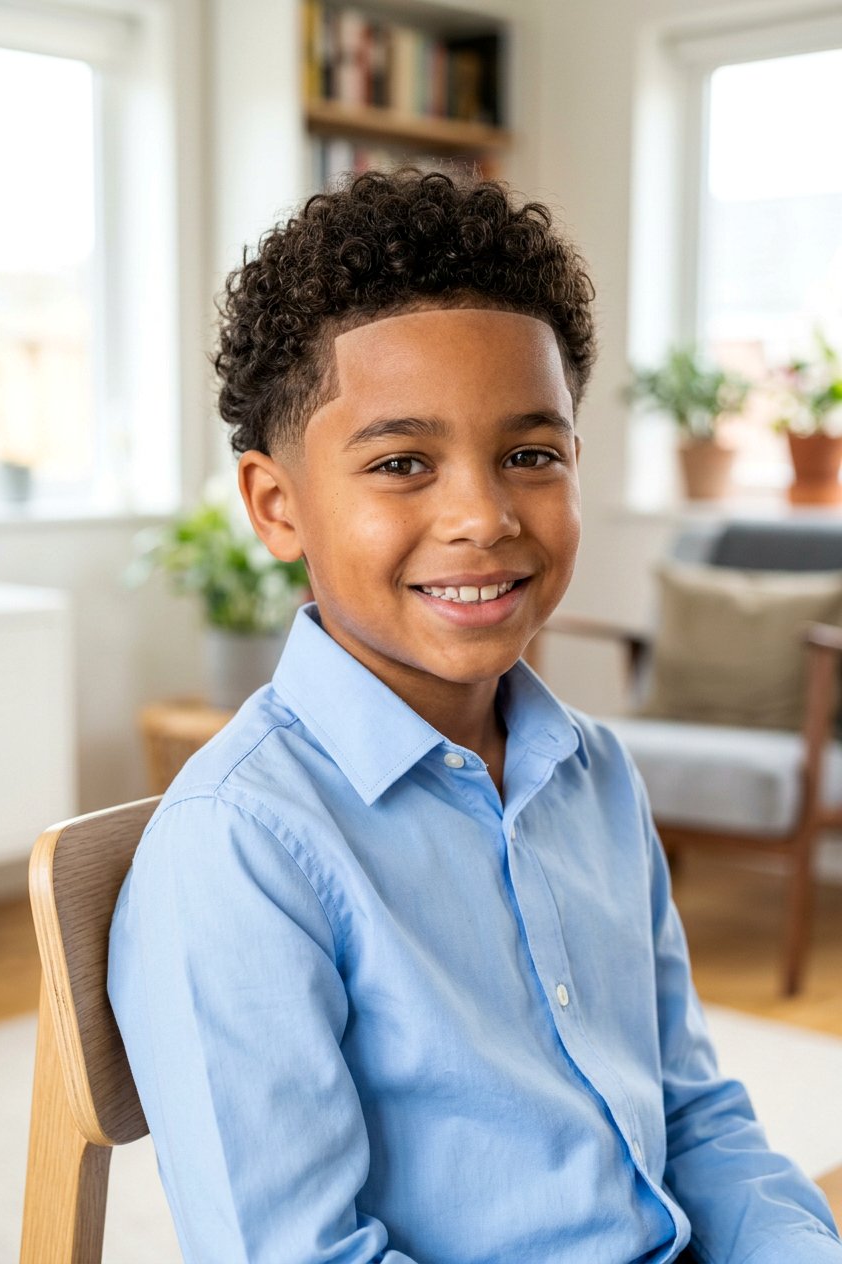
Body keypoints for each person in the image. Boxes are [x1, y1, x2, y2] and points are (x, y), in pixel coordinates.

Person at [108, 168, 842, 1264]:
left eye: (528, 455)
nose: (483, 516)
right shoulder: (241, 847)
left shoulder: (593, 773)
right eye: (402, 463)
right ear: (276, 505)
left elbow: (689, 1116)